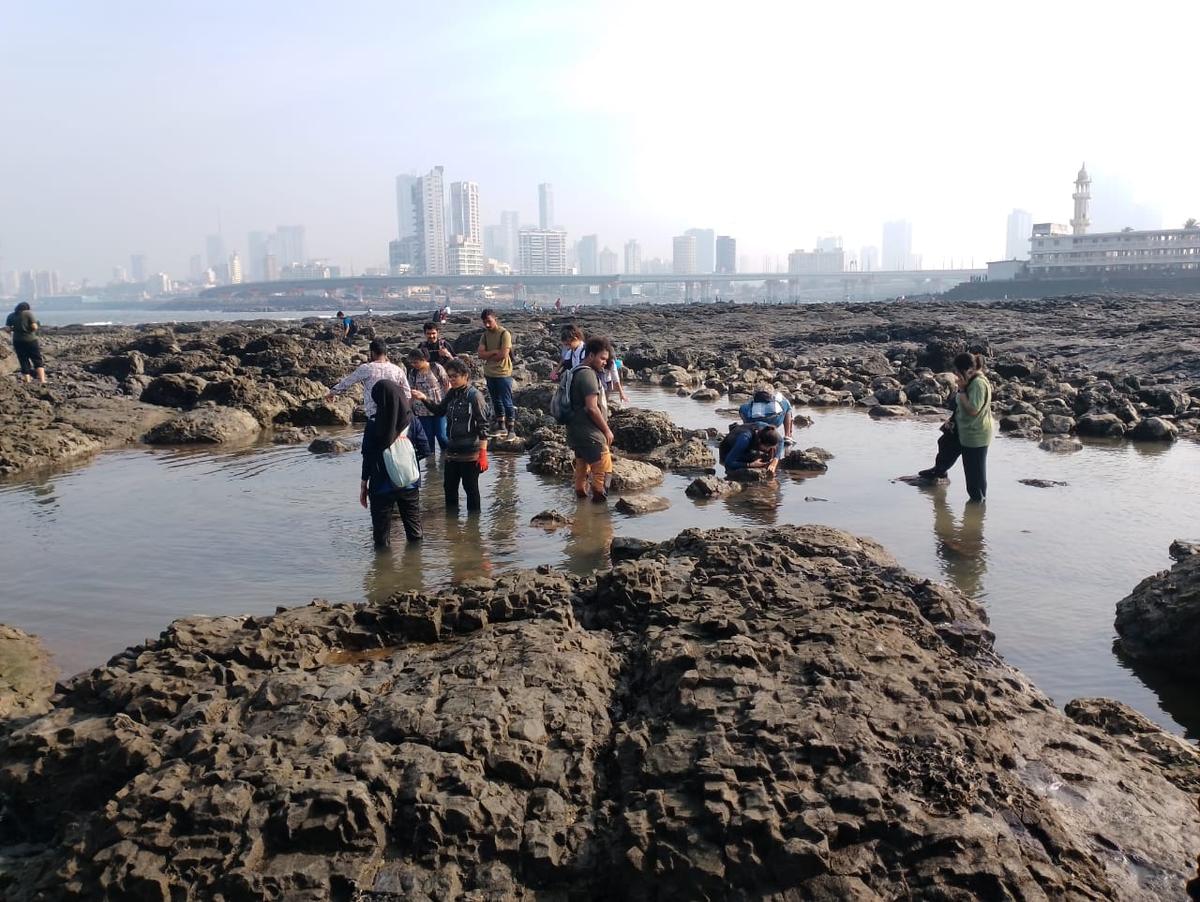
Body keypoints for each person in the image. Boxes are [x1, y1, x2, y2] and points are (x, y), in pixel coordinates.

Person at [410, 358, 490, 512]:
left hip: (470, 454)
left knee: (470, 489)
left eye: (455, 376)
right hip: (452, 452)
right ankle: (451, 527)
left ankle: (474, 529)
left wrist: (483, 454)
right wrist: (424, 398)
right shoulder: (452, 393)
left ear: (465, 376)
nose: (451, 379)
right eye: (450, 376)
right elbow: (440, 410)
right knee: (449, 489)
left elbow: (483, 426)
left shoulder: (475, 396)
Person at [360, 380, 429, 548]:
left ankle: (383, 570)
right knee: (414, 532)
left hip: (381, 486)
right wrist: (404, 461)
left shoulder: (373, 424)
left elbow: (367, 456)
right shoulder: (411, 421)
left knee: (381, 537)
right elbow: (425, 449)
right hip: (409, 483)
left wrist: (364, 484)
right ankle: (416, 567)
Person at [918, 353, 993, 502]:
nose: (956, 375)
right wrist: (952, 420)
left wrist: (963, 390)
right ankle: (939, 471)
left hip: (975, 435)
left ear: (969, 370)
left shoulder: (978, 384)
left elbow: (973, 410)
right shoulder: (969, 381)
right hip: (963, 429)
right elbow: (962, 407)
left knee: (974, 480)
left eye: (958, 372)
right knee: (945, 444)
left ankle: (977, 510)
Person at [566, 336, 616, 502]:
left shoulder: (574, 372)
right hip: (591, 434)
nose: (604, 362)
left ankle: (581, 516)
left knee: (581, 473)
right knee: (603, 474)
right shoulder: (588, 375)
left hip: (575, 433)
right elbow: (592, 408)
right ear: (591, 355)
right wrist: (607, 430)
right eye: (602, 358)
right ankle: (600, 518)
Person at [326, 338, 410, 421]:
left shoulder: (367, 368)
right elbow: (407, 393)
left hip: (375, 414)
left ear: (372, 352)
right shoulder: (397, 370)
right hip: (394, 415)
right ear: (385, 353)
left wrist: (332, 392)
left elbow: (347, 382)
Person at [477, 308, 515, 436]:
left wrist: (489, 355)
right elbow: (480, 354)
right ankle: (501, 426)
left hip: (503, 373)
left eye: (489, 321)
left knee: (507, 401)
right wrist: (493, 352)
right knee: (495, 400)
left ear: (495, 319)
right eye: (484, 322)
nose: (487, 325)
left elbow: (503, 355)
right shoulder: (485, 335)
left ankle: (511, 429)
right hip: (489, 373)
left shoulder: (504, 334)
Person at [406, 347, 450, 451]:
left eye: (416, 362)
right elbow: (411, 393)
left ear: (424, 359)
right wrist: (407, 409)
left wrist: (449, 403)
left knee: (442, 437)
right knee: (428, 440)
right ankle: (431, 465)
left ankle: (448, 459)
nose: (414, 365)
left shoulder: (436, 367)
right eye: (412, 363)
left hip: (439, 408)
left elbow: (447, 386)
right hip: (422, 412)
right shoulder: (413, 373)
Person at [739, 385, 794, 466]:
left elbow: (743, 409)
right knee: (787, 406)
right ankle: (788, 435)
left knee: (742, 409)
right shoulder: (780, 402)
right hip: (774, 421)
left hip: (753, 422)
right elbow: (786, 406)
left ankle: (750, 432)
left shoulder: (749, 405)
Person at [5, 302, 45, 384]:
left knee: (23, 360)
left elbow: (7, 329)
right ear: (27, 308)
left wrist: (15, 329)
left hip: (17, 341)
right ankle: (42, 380)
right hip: (30, 340)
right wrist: (30, 328)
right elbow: (34, 327)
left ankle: (28, 381)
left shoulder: (11, 315)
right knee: (36, 359)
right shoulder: (28, 313)